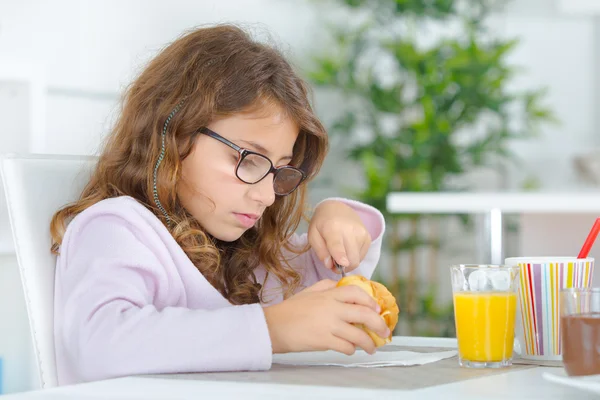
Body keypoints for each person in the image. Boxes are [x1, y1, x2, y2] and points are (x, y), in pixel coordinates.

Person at [49, 24, 387, 385]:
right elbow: (99, 345)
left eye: (280, 170)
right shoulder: (116, 227)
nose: (268, 195)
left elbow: (320, 298)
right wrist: (271, 330)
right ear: (176, 134)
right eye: (249, 158)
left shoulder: (236, 250)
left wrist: (337, 218)